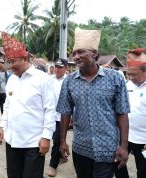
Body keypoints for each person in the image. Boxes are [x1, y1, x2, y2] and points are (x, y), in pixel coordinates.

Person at [57, 28, 130, 178]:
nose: (76, 57)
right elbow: (65, 112)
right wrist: (62, 141)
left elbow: (122, 112)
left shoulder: (115, 78)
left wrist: (123, 146)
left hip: (107, 147)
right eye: (74, 53)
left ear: (95, 53)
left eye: (81, 52)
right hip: (81, 147)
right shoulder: (69, 81)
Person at [0, 32, 56, 178]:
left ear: (25, 58)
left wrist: (46, 137)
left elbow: (50, 109)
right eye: (8, 62)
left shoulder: (42, 79)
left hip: (33, 142)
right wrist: (2, 126)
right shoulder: (11, 80)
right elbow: (8, 106)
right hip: (12, 140)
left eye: (13, 62)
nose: (10, 66)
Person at [114, 48, 146, 178]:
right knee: (117, 163)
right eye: (129, 74)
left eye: (134, 74)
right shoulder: (127, 85)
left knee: (143, 171)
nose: (131, 77)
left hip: (143, 139)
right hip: (125, 135)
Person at [46, 58, 68, 177]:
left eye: (60, 67)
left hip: (62, 117)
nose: (57, 69)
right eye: (56, 67)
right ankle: (62, 156)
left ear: (66, 68)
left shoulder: (69, 81)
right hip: (49, 115)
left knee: (57, 141)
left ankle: (53, 165)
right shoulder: (49, 79)